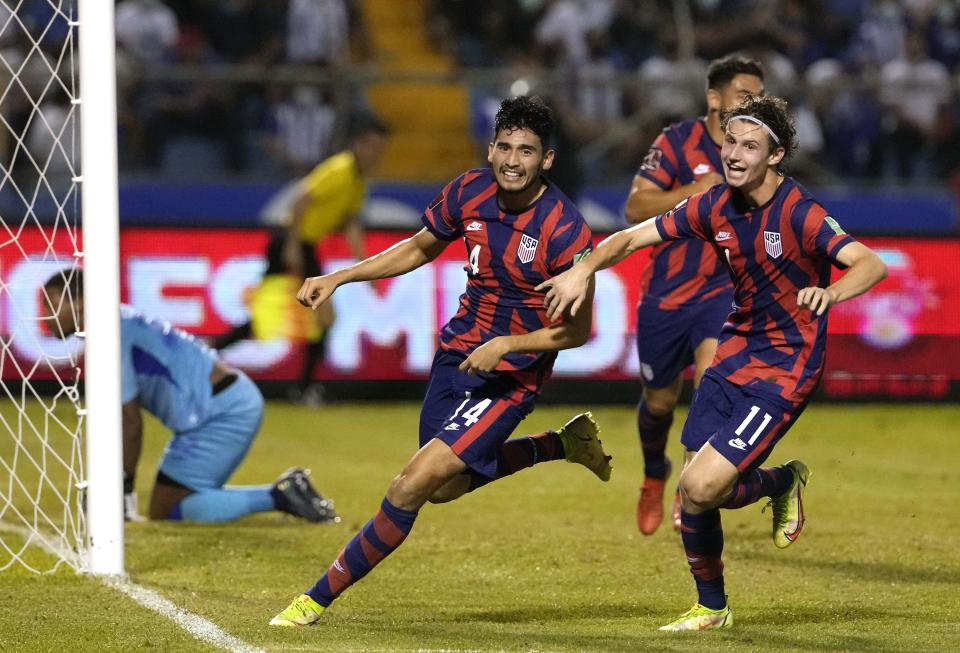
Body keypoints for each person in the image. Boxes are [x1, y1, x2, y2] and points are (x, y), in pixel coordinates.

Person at [538, 95, 887, 630]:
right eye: (730, 142)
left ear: (777, 155)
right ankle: (715, 603)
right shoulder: (713, 205)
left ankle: (774, 492)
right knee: (697, 488)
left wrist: (833, 295)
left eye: (750, 145)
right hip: (735, 352)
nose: (735, 153)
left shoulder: (801, 213)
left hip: (784, 368)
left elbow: (869, 263)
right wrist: (581, 271)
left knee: (700, 488)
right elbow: (633, 235)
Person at [269, 95, 612, 626]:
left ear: (546, 160)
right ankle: (560, 444)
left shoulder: (566, 230)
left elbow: (579, 330)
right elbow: (419, 247)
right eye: (504, 147)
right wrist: (339, 276)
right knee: (446, 487)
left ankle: (314, 600)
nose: (512, 161)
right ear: (491, 147)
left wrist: (508, 346)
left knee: (412, 484)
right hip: (457, 357)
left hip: (510, 379)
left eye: (526, 151)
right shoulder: (469, 190)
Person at [42, 271, 340, 525]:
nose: (45, 314)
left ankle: (279, 495)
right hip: (221, 403)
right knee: (171, 506)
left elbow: (129, 421)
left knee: (169, 509)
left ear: (78, 303)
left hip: (221, 413)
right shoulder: (118, 319)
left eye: (50, 302)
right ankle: (282, 493)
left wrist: (124, 488)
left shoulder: (110, 334)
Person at [625, 55, 764, 537]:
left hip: (722, 293)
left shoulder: (752, 151)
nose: (753, 105)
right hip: (666, 295)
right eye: (745, 95)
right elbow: (635, 207)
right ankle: (653, 472)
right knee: (660, 401)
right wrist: (693, 189)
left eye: (758, 98)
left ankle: (690, 493)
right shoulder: (676, 142)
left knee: (711, 383)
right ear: (714, 98)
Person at [213, 114, 390, 404]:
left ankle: (213, 353)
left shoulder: (359, 181)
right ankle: (304, 388)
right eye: (372, 146)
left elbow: (350, 225)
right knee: (315, 316)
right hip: (289, 242)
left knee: (294, 318)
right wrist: (292, 246)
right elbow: (300, 200)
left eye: (380, 148)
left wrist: (366, 267)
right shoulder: (339, 169)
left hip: (304, 246)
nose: (376, 153)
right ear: (357, 144)